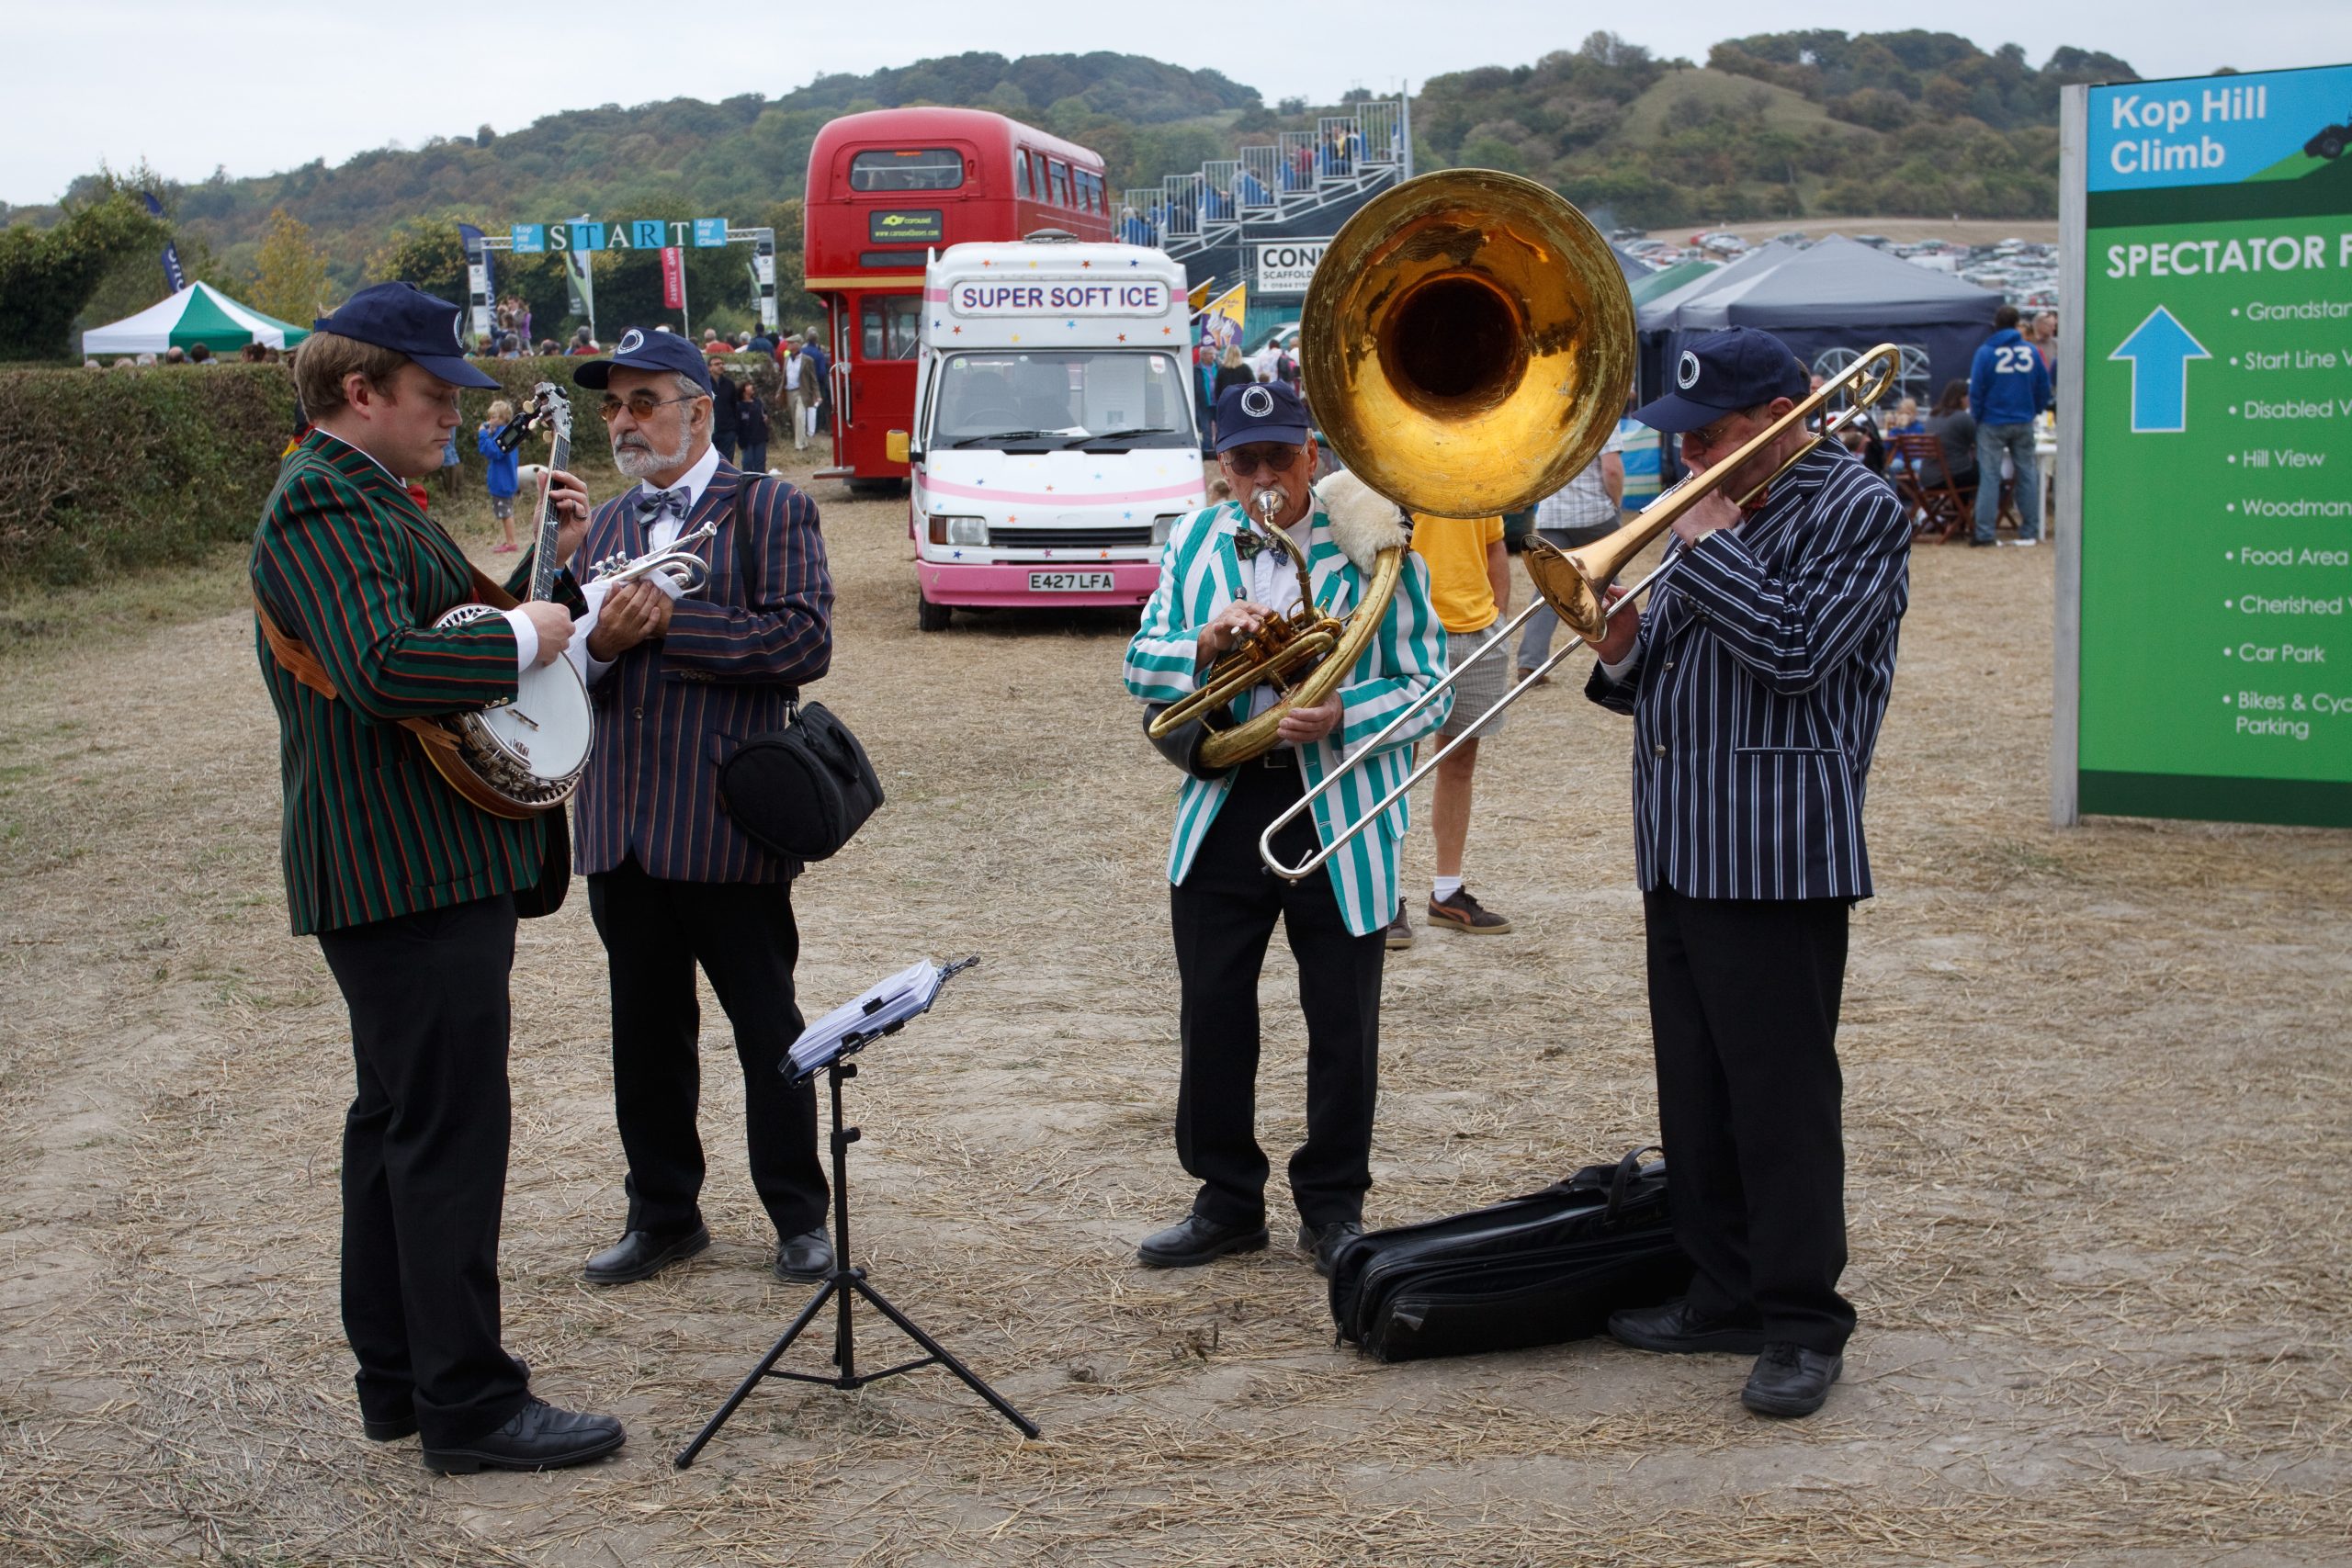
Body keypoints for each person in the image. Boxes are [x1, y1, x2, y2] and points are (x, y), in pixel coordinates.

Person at [250, 282, 623, 1473]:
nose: (451, 415)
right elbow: (384, 666)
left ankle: (401, 1380)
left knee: (400, 1128)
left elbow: (440, 624)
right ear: (360, 391)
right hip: (404, 873)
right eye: (431, 394)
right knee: (447, 1135)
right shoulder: (322, 500)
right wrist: (524, 634)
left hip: (409, 869)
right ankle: (467, 1400)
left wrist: (538, 579)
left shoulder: (363, 496)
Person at [1581, 326, 1911, 1421]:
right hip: (1679, 842)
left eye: (1709, 439)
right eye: (1680, 444)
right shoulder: (1716, 509)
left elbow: (1799, 654)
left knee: (1779, 1098)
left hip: (1775, 851)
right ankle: (1720, 1290)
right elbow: (1655, 680)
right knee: (1698, 1089)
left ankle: (1802, 1320)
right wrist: (1617, 638)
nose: (1688, 463)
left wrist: (1709, 542)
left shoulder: (1854, 507)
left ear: (1776, 418)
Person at [1122, 381, 1450, 1279]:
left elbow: (1431, 686)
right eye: (1242, 463)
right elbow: (1138, 663)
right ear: (1219, 468)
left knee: (1342, 1021)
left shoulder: (1377, 546)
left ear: (1313, 456)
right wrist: (1205, 638)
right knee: (1214, 1013)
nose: (1263, 478)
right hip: (1226, 802)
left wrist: (1344, 709)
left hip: (1339, 808)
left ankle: (1333, 1207)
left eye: (1279, 458)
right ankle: (1225, 1202)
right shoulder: (1193, 541)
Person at [562, 326, 839, 1291]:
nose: (625, 422)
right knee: (643, 1037)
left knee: (770, 1030)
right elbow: (568, 671)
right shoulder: (598, 528)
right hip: (619, 827)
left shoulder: (765, 506)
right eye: (612, 406)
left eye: (643, 402)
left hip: (725, 822)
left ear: (698, 409)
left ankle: (800, 1218)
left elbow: (803, 643)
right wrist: (596, 649)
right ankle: (664, 1215)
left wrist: (678, 622)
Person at [1393, 510, 1513, 946]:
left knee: (1459, 766)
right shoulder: (1392, 463)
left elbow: (1494, 544)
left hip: (1475, 632)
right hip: (1408, 632)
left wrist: (1497, 617)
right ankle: (1387, 898)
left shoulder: (1477, 474)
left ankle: (1447, 892)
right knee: (1394, 771)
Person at [1516, 427, 1624, 682]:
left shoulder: (1547, 420)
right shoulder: (1605, 413)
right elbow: (1612, 469)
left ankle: (1530, 663)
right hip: (1595, 514)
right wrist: (1616, 506)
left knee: (1548, 592)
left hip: (1552, 515)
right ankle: (1630, 655)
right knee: (1612, 589)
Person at [1968, 304, 2052, 547]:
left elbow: (1976, 390)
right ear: (2017, 325)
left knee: (1990, 476)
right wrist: (2034, 409)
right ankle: (2030, 530)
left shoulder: (1985, 352)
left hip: (1992, 421)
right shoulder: (2031, 351)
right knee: (2027, 473)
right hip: (2023, 419)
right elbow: (2043, 387)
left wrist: (1979, 416)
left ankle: (1984, 532)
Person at [477, 398, 523, 552]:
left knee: (506, 513)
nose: (490, 420)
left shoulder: (503, 434)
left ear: (504, 418)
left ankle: (511, 543)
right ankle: (509, 540)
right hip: (505, 481)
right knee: (505, 512)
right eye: (490, 416)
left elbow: (492, 451)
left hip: (503, 482)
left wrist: (483, 434)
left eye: (494, 417)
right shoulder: (504, 433)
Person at [1919, 379, 1977, 491]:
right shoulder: (1962, 417)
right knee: (1989, 473)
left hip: (1927, 476)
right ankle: (2001, 505)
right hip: (1948, 477)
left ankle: (1960, 507)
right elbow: (1979, 442)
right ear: (1962, 398)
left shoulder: (1932, 416)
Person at [735, 377, 771, 475]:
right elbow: (737, 424)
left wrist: (766, 418)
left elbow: (765, 413)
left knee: (760, 462)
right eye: (747, 385)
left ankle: (761, 483)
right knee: (748, 463)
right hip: (746, 439)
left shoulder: (758, 402)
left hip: (760, 436)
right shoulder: (739, 406)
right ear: (742, 390)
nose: (751, 387)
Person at [781, 335, 810, 451]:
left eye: (791, 343)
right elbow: (784, 377)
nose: (788, 345)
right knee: (795, 419)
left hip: (801, 391)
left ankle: (799, 446)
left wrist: (817, 395)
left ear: (797, 344)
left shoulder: (806, 359)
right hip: (789, 391)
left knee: (799, 416)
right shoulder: (787, 358)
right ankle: (804, 442)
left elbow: (812, 379)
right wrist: (780, 391)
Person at [708, 367, 740, 464]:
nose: (721, 365)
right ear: (710, 367)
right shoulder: (705, 383)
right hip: (710, 430)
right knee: (711, 460)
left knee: (727, 461)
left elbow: (734, 405)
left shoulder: (729, 384)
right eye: (717, 364)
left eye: (722, 363)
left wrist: (734, 426)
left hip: (728, 429)